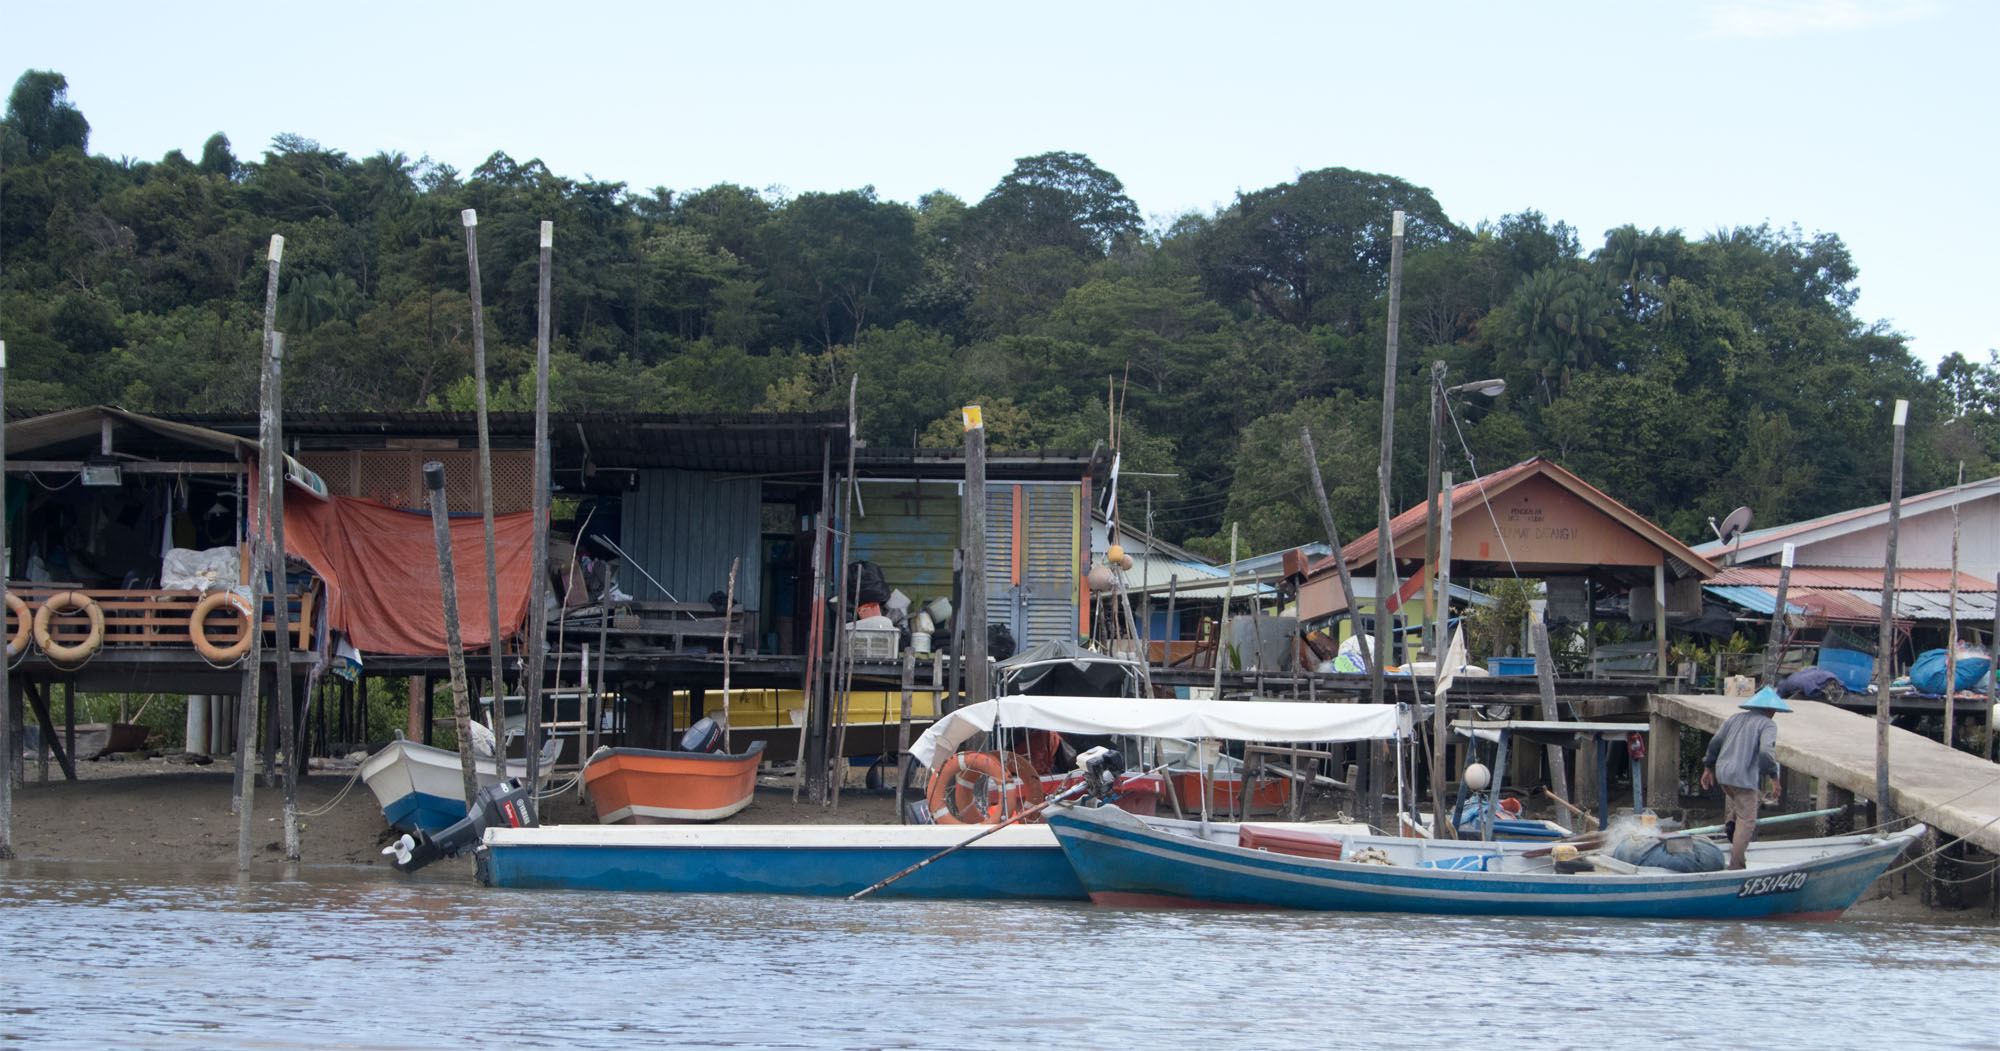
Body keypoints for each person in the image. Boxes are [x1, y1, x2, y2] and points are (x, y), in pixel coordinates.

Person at [1699, 687, 1791, 870]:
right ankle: (1737, 866)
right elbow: (1766, 752)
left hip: (1723, 775)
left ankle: (1731, 822)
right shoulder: (1768, 724)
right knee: (1747, 821)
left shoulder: (1734, 718)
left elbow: (1715, 742)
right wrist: (1774, 777)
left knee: (1752, 798)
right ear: (1770, 710)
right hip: (1742, 778)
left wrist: (1708, 767)